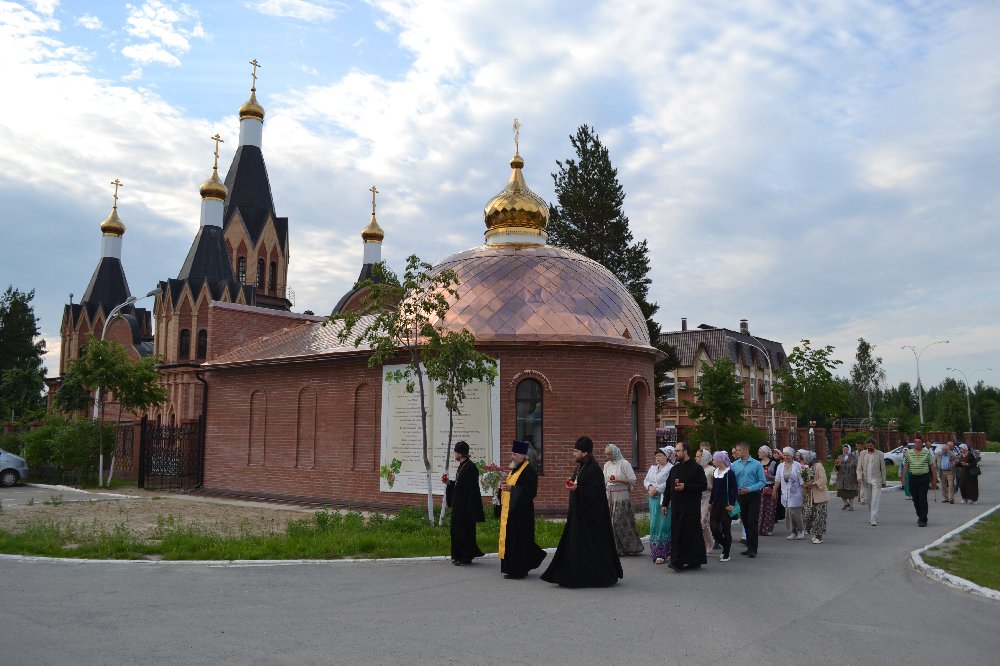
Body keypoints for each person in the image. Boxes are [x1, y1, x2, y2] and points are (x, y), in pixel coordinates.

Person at [541, 437, 623, 587]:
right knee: (574, 546)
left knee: (591, 547)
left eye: (576, 451)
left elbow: (596, 492)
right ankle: (571, 575)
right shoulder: (580, 467)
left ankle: (593, 577)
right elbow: (579, 485)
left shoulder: (594, 469)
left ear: (585, 453)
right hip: (578, 514)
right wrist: (573, 484)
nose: (573, 454)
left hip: (590, 518)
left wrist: (577, 488)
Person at [498, 440, 547, 579]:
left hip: (522, 513)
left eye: (515, 454)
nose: (512, 457)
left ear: (523, 456)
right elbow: (510, 487)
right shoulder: (514, 469)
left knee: (519, 541)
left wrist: (512, 489)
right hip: (512, 511)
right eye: (512, 454)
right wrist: (502, 488)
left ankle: (518, 571)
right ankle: (511, 569)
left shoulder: (529, 470)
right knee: (512, 541)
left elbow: (530, 492)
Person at [661, 441, 709, 572]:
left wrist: (685, 486)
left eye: (678, 451)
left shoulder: (696, 468)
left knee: (690, 534)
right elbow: (668, 487)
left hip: (690, 508)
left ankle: (689, 561)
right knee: (677, 533)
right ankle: (678, 560)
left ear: (685, 451)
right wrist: (665, 503)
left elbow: (703, 486)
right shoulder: (674, 469)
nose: (675, 453)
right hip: (677, 507)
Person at [445, 441, 485, 565]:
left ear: (460, 453)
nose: (454, 454)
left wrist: (469, 509)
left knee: (464, 532)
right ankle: (457, 555)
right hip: (459, 505)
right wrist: (449, 483)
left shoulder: (471, 468)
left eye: (455, 452)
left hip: (466, 507)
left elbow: (472, 490)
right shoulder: (462, 466)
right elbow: (460, 485)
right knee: (456, 530)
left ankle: (466, 557)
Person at [603, 444, 644, 556]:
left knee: (618, 522)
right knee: (610, 522)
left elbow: (632, 479)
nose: (608, 457)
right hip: (610, 496)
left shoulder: (624, 463)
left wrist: (618, 479)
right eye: (606, 454)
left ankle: (630, 546)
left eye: (610, 454)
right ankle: (616, 548)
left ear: (615, 453)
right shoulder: (607, 465)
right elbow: (604, 480)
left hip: (621, 496)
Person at [731, 441, 766, 558]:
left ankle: (753, 548)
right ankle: (749, 545)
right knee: (745, 521)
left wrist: (749, 489)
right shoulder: (734, 465)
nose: (737, 452)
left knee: (752, 521)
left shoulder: (757, 464)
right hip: (741, 495)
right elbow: (732, 480)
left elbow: (762, 481)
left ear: (746, 450)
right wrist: (736, 489)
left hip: (753, 495)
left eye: (739, 450)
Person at [644, 447, 673, 563]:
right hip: (653, 499)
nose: (657, 458)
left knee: (664, 524)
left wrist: (657, 489)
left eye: (660, 455)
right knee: (654, 523)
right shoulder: (652, 468)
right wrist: (650, 487)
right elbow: (646, 480)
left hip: (664, 499)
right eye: (656, 456)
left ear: (666, 457)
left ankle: (665, 552)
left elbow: (669, 483)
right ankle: (656, 551)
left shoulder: (671, 468)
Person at [708, 451, 738, 562]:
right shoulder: (715, 471)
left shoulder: (729, 473)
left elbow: (734, 489)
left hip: (726, 504)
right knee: (713, 527)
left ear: (720, 460)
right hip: (716, 504)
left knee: (726, 529)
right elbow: (714, 489)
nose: (713, 462)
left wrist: (732, 504)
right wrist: (710, 502)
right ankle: (726, 546)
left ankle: (726, 553)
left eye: (715, 460)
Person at [903, 437, 937, 527]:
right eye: (915, 442)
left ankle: (923, 519)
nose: (917, 444)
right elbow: (906, 466)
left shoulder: (927, 453)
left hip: (924, 478)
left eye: (919, 442)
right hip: (913, 478)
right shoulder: (909, 453)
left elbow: (932, 466)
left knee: (922, 498)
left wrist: (934, 480)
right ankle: (920, 516)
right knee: (915, 499)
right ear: (913, 443)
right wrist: (903, 478)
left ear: (922, 444)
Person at [772, 447, 805, 540]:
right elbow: (778, 479)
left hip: (796, 493)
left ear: (792, 455)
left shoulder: (797, 465)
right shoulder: (780, 466)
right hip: (785, 493)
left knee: (796, 513)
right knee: (789, 514)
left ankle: (801, 530)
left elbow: (802, 480)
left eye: (788, 455)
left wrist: (805, 492)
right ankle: (793, 531)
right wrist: (774, 490)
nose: (786, 457)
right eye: (784, 455)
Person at [800, 450, 829, 544]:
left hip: (819, 496)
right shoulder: (807, 467)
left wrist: (813, 483)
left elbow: (823, 479)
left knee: (819, 516)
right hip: (809, 496)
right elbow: (805, 478)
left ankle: (819, 536)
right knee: (809, 515)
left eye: (804, 458)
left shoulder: (818, 465)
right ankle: (814, 532)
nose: (803, 460)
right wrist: (805, 484)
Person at [860, 438, 886, 526]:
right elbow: (859, 467)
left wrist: (884, 481)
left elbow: (883, 469)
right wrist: (859, 477)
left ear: (874, 445)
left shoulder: (880, 454)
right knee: (868, 499)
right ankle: (873, 514)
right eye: (867, 446)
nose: (869, 447)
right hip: (866, 480)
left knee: (875, 500)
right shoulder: (863, 453)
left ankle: (873, 518)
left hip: (876, 480)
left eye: (870, 445)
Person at [696, 446, 715, 550]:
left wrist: (706, 486)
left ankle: (703, 547)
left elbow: (716, 487)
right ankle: (710, 542)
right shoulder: (697, 469)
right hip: (697, 498)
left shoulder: (711, 469)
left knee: (703, 522)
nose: (696, 458)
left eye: (698, 456)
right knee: (701, 523)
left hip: (707, 498)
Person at [758, 445, 779, 536]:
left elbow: (778, 476)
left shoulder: (773, 463)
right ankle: (759, 528)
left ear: (765, 453)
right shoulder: (758, 463)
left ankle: (767, 528)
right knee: (760, 509)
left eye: (760, 452)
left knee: (769, 509)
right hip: (760, 488)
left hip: (770, 487)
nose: (758, 453)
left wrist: (771, 477)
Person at [835, 444, 859, 510]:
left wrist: (858, 476)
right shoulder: (840, 457)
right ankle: (846, 503)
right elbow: (836, 468)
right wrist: (837, 465)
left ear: (849, 450)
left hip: (851, 478)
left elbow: (857, 467)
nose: (845, 451)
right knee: (841, 492)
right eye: (844, 449)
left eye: (846, 449)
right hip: (841, 478)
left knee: (851, 493)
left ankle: (851, 506)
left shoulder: (853, 458)